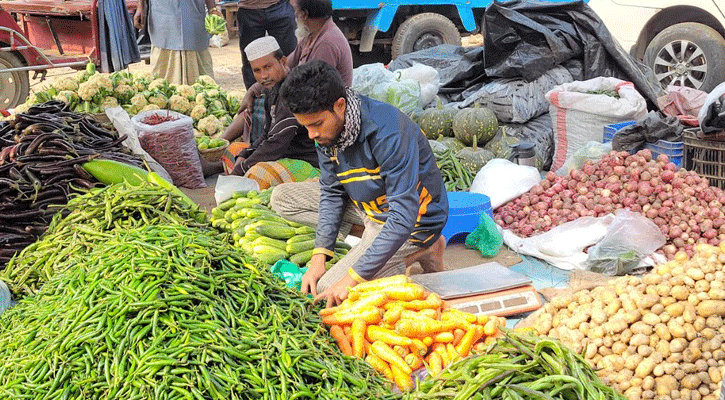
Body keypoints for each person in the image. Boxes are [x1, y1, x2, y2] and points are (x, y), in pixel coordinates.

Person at [272, 60, 449, 307]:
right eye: (305, 126)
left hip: (412, 219)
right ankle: (376, 245)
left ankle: (419, 249)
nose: (311, 134)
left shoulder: (389, 132)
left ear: (340, 105)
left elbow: (402, 216)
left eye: (316, 124)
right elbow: (332, 191)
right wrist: (319, 256)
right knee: (281, 198)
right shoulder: (325, 135)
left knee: (330, 290)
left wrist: (351, 278)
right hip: (370, 208)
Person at [235, 0, 353, 135]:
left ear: (304, 15)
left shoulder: (326, 43)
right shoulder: (310, 36)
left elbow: (312, 91)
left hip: (322, 111)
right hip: (309, 99)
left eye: (295, 10)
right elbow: (285, 67)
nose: (294, 15)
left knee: (268, 109)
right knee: (260, 101)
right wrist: (254, 89)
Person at [213, 37, 319, 187]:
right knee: (234, 151)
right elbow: (266, 134)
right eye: (257, 70)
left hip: (307, 163)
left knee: (257, 173)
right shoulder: (272, 90)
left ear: (283, 62)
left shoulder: (294, 90)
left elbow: (276, 143)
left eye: (268, 67)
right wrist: (245, 155)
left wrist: (242, 168)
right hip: (283, 155)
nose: (263, 76)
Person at [133, 0, 220, 85]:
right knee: (160, 85)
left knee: (204, 87)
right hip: (163, 15)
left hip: (194, 14)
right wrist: (140, 6)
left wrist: (213, 9)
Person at [237, 0, 297, 89]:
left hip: (280, 6)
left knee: (289, 57)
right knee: (251, 61)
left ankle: (292, 92)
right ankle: (255, 98)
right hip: (248, 9)